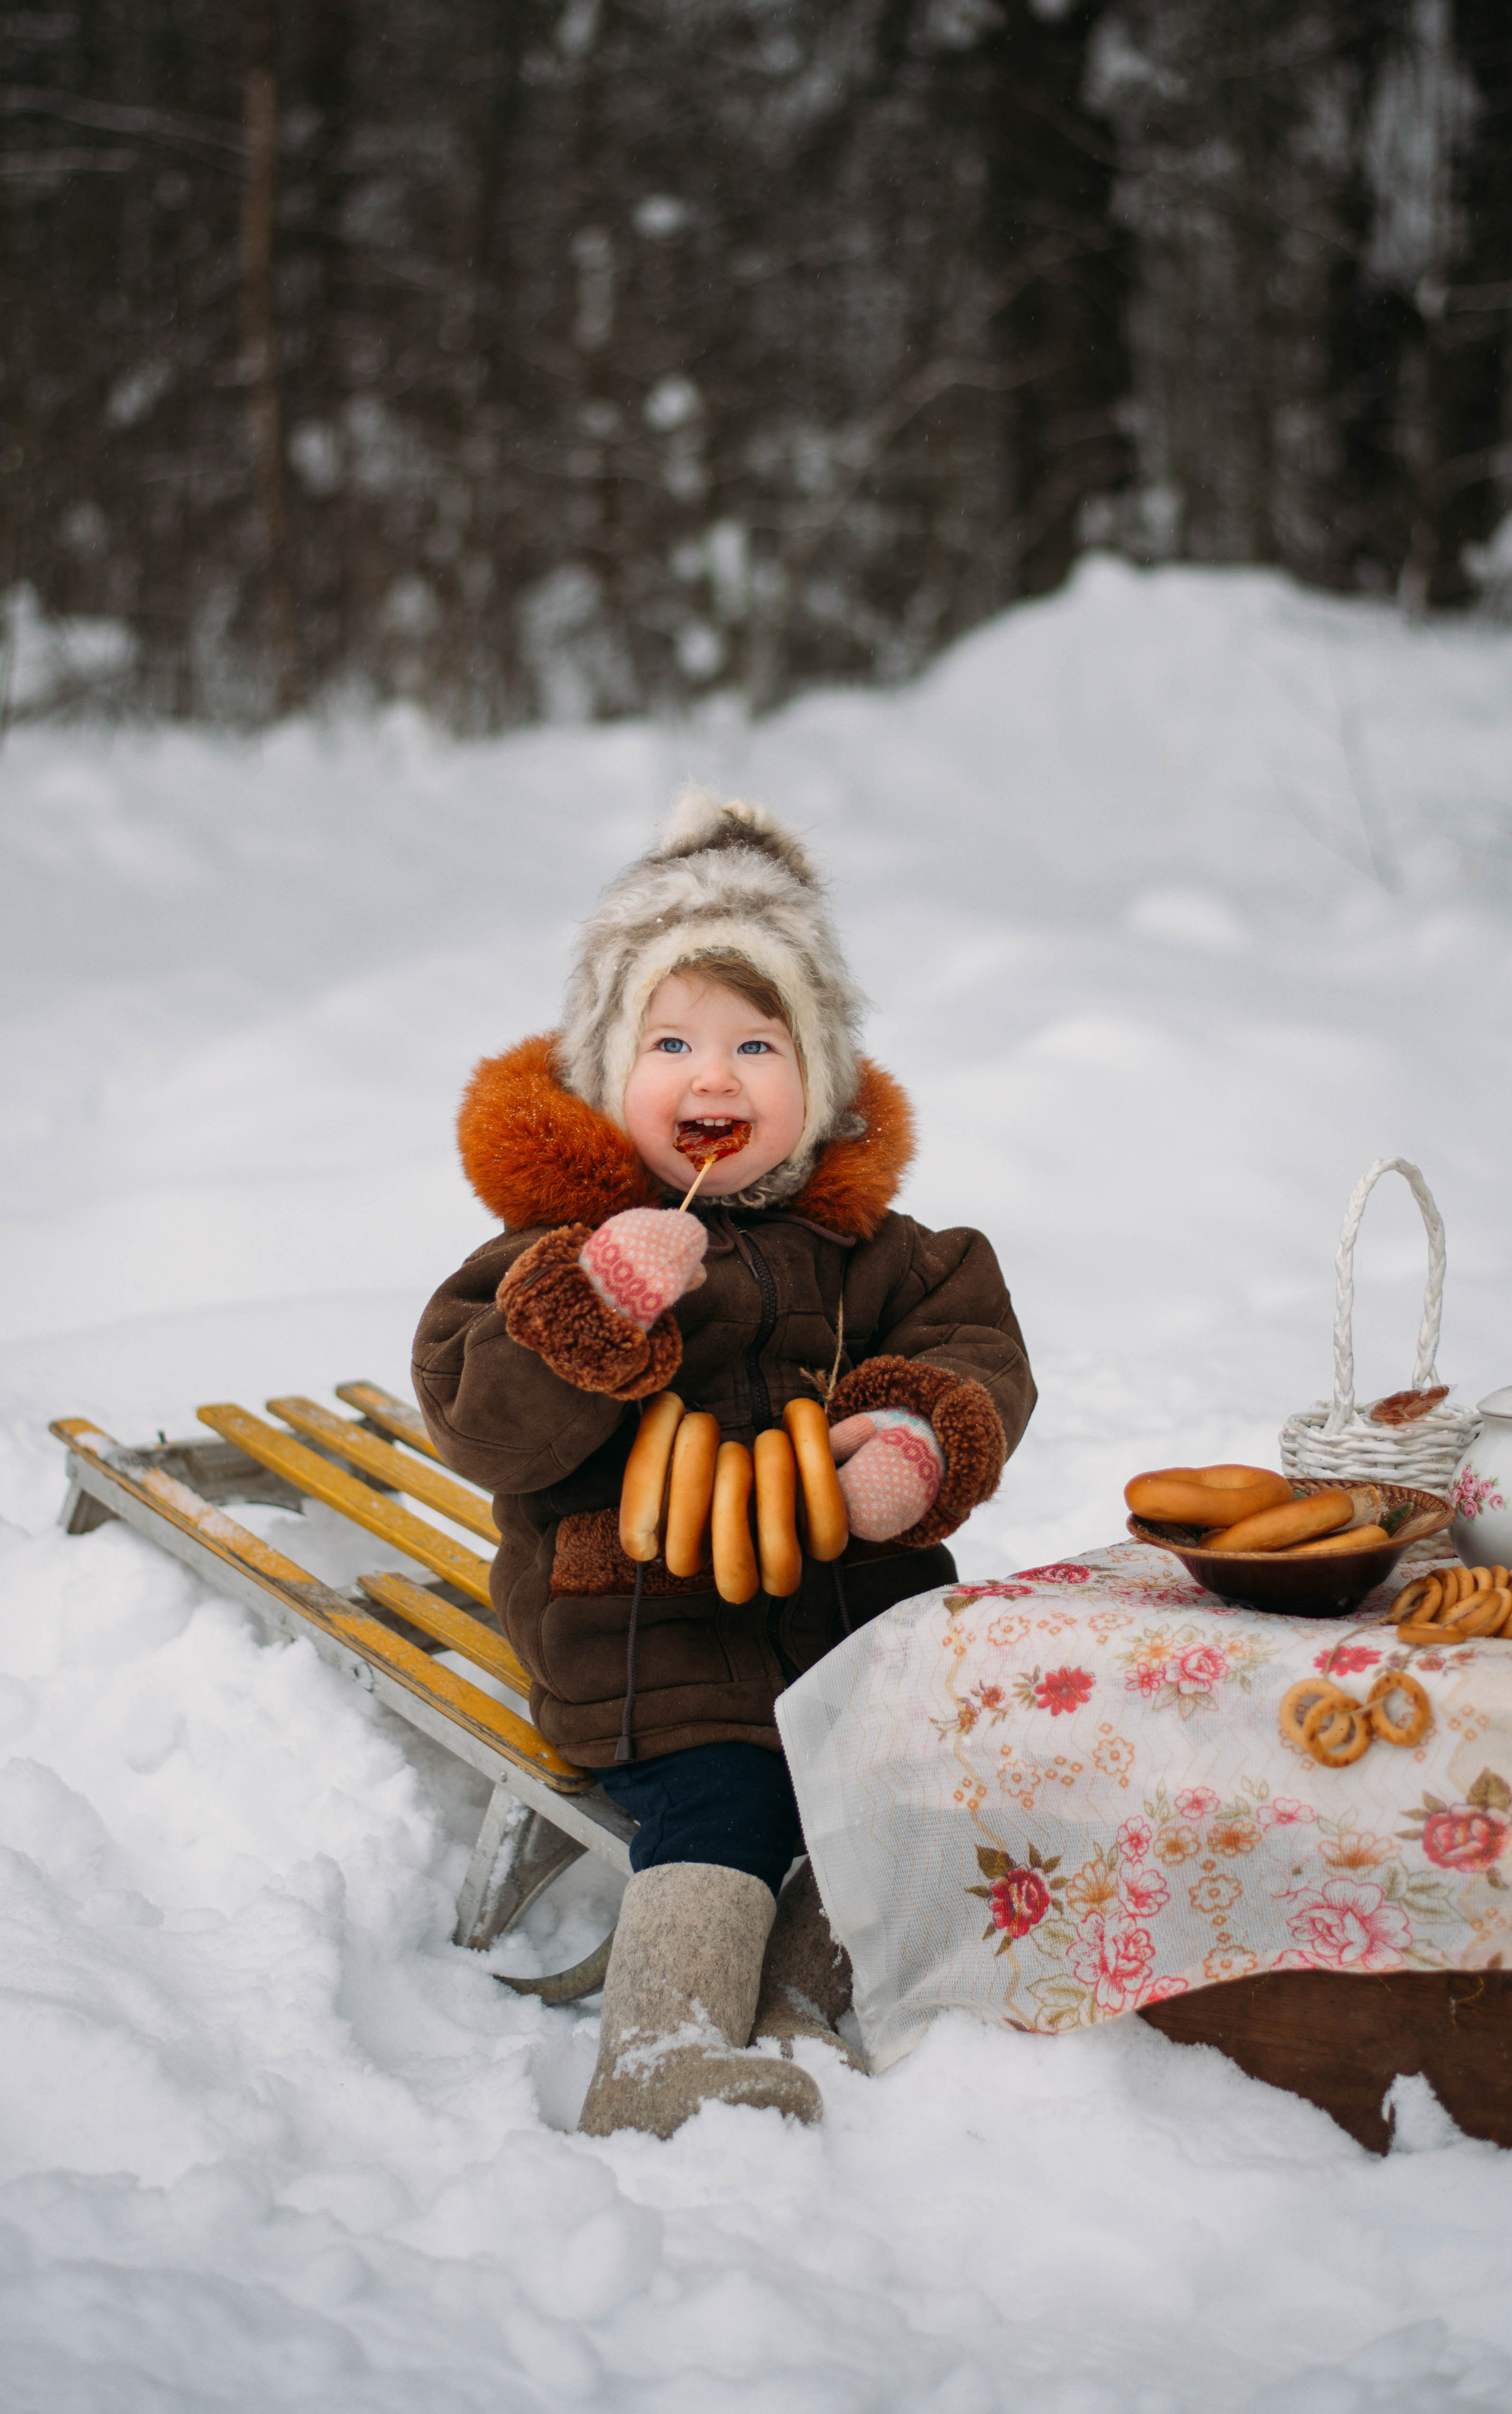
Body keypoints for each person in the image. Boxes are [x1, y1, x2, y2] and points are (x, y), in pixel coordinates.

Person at [414, 791, 1035, 2136]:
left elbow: (971, 1342)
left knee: (902, 1778)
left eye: (760, 1043)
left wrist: (915, 1443)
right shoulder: (547, 1251)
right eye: (673, 1040)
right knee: (736, 1788)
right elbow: (478, 1418)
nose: (715, 1076)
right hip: (642, 1630)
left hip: (849, 1623)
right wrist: (592, 1305)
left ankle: (801, 2002)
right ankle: (662, 2047)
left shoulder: (875, 1251)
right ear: (601, 1072)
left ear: (815, 1081)